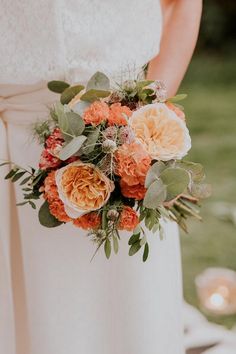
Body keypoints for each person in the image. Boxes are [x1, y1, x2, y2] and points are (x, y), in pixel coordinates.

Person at [0, 1, 202, 353]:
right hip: (8, 148)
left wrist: (150, 113)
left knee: (127, 316)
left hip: (124, 139)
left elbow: (182, 3)